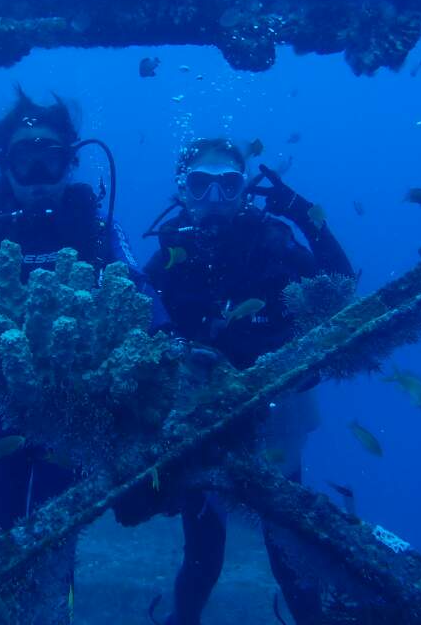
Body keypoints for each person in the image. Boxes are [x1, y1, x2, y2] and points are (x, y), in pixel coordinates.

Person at [0, 87, 144, 620]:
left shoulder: (94, 223)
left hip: (73, 407)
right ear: (4, 167)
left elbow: (137, 286)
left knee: (55, 543)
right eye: (24, 161)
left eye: (50, 159)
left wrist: (168, 344)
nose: (38, 175)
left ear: (70, 163)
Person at [143, 137, 354, 625]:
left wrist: (300, 211)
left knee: (287, 549)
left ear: (245, 190)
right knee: (203, 555)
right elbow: (141, 314)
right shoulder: (172, 255)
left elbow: (339, 288)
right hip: (202, 420)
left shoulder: (271, 242)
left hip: (278, 415)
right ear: (183, 191)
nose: (214, 198)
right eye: (200, 184)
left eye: (229, 184)